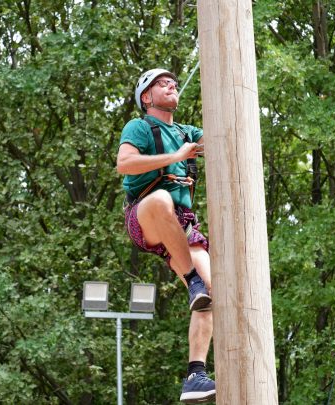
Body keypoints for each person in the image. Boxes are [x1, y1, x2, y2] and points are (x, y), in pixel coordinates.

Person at [116, 68, 215, 404]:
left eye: (173, 83)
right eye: (162, 83)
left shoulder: (187, 132)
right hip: (146, 215)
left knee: (212, 292)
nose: (172, 85)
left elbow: (217, 140)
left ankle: (195, 375)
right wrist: (175, 157)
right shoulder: (140, 127)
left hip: (182, 228)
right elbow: (125, 163)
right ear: (146, 97)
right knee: (160, 199)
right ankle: (192, 280)